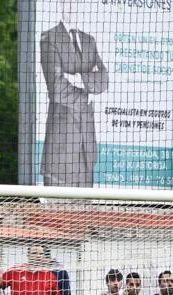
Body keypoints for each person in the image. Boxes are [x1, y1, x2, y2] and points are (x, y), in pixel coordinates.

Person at [39, 0, 108, 187]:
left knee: (86, 214)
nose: (73, 7)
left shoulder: (89, 41)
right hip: (61, 147)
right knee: (57, 213)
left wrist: (77, 78)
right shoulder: (49, 38)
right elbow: (57, 89)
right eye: (69, 2)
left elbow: (103, 80)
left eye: (78, 2)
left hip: (86, 147)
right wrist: (88, 89)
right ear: (61, 5)